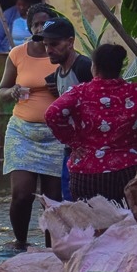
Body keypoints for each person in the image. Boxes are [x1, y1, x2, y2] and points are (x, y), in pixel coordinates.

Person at [45, 43, 137, 204]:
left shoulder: (79, 92)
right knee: (128, 223)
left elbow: (52, 114)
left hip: (86, 177)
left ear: (94, 67)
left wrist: (74, 142)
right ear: (120, 68)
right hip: (128, 173)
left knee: (91, 224)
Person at [0, 14, 66, 248]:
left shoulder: (61, 54)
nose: (40, 28)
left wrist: (60, 90)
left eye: (45, 24)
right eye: (36, 24)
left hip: (56, 135)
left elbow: (78, 90)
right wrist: (13, 91)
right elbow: (1, 91)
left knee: (53, 199)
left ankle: (52, 249)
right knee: (21, 195)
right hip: (22, 133)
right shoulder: (17, 54)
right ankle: (21, 242)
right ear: (29, 27)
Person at [36, 15, 92, 202]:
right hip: (71, 150)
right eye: (46, 45)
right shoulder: (59, 73)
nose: (49, 50)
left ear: (70, 42)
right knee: (70, 204)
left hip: (90, 151)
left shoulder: (84, 67)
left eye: (54, 44)